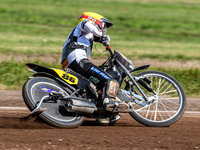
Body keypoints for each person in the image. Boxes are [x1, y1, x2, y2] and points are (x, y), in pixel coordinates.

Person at [61, 12, 129, 112]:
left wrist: (103, 41)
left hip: (72, 63)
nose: (103, 29)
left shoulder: (83, 36)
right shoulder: (83, 24)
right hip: (78, 60)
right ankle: (109, 102)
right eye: (103, 26)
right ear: (95, 21)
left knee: (96, 83)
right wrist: (102, 36)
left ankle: (100, 111)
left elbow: (94, 35)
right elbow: (89, 25)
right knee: (109, 80)